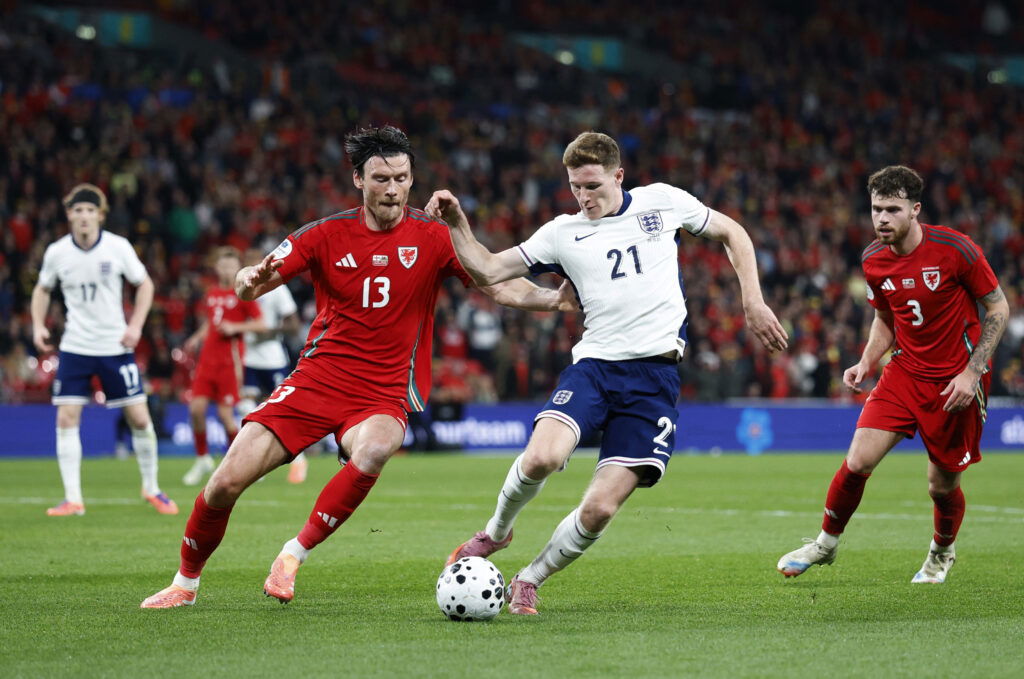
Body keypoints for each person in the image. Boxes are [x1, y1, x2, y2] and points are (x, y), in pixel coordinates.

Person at [141, 125, 576, 608]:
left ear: (412, 180)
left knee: (375, 449)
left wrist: (551, 301)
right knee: (224, 482)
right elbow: (252, 283)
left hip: (383, 392)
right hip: (317, 379)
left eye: (402, 178)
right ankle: (185, 583)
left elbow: (496, 284)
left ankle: (292, 555)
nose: (392, 189)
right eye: (381, 178)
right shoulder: (324, 234)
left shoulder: (433, 237)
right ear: (358, 180)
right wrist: (246, 281)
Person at [432, 131, 788, 615]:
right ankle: (495, 532)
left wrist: (752, 301)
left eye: (593, 186)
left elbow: (734, 233)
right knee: (541, 458)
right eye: (576, 186)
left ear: (619, 176)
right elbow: (490, 270)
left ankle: (529, 579)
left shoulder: (662, 202)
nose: (584, 197)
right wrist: (458, 223)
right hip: (595, 367)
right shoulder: (562, 232)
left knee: (599, 509)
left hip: (655, 381)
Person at [777, 165, 1008, 584]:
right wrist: (867, 361)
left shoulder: (956, 250)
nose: (881, 219)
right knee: (857, 460)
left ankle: (941, 552)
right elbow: (886, 318)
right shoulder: (872, 260)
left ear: (915, 210)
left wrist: (972, 373)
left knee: (940, 486)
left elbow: (998, 308)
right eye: (875, 209)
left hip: (956, 381)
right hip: (904, 373)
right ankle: (825, 545)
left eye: (892, 210)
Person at [30, 183, 178, 516]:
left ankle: (152, 489)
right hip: (75, 346)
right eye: (77, 210)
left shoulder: (117, 247)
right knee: (67, 417)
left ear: (101, 215)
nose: (83, 217)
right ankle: (73, 499)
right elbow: (41, 289)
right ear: (69, 215)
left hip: (114, 345)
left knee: (140, 418)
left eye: (89, 211)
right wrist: (38, 324)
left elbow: (145, 284)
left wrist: (136, 326)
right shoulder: (57, 252)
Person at [181, 247, 267, 486]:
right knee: (196, 410)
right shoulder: (212, 293)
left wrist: (236, 328)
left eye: (232, 265)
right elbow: (213, 322)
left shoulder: (244, 292)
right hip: (207, 361)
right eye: (223, 265)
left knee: (225, 415)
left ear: (237, 267)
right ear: (216, 267)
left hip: (230, 363)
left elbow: (261, 324)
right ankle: (202, 459)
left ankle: (242, 464)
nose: (227, 269)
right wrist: (198, 337)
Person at [236, 248, 307, 483]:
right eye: (246, 260)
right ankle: (251, 461)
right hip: (248, 358)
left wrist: (270, 331)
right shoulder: (241, 288)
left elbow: (294, 325)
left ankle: (299, 460)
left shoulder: (277, 289)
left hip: (273, 358)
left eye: (253, 259)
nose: (250, 263)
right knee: (246, 406)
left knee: (280, 409)